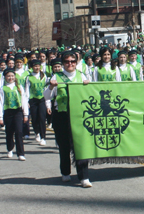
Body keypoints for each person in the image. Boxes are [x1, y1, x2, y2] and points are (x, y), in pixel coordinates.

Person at [44, 52, 92, 188]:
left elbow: (90, 93)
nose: (70, 64)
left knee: (81, 146)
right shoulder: (57, 76)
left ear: (76, 63)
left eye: (72, 61)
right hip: (62, 114)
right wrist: (51, 86)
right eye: (66, 61)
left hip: (79, 115)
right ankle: (65, 172)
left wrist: (88, 85)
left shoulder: (81, 75)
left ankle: (84, 176)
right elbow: (46, 96)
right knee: (64, 145)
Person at [0, 68, 29, 161]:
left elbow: (24, 100)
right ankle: (10, 148)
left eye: (12, 76)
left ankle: (20, 153)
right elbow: (0, 103)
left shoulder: (19, 87)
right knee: (9, 132)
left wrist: (26, 114)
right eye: (8, 76)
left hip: (18, 111)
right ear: (5, 77)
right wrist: (0, 116)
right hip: (8, 112)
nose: (10, 78)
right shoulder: (3, 89)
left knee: (19, 132)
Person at [25, 60, 48, 146]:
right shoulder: (28, 77)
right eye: (35, 66)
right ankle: (36, 132)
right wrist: (27, 101)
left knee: (42, 118)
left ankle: (43, 137)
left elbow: (46, 87)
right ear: (32, 67)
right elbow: (27, 89)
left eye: (38, 66)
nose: (37, 68)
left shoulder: (43, 76)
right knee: (34, 118)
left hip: (42, 99)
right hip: (33, 99)